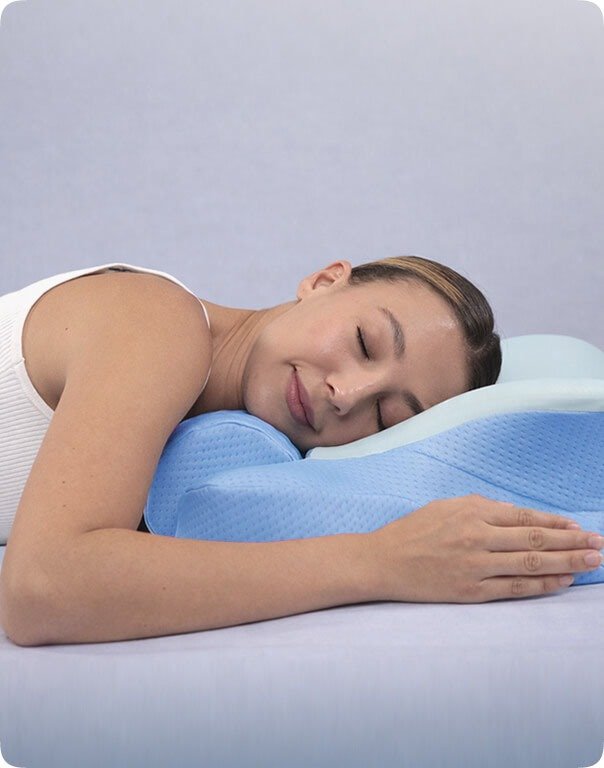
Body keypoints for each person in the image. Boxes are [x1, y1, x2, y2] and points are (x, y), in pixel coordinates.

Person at [0, 255, 600, 647]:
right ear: (323, 281)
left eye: (386, 415)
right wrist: (383, 562)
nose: (348, 394)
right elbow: (42, 588)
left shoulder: (226, 453)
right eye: (365, 343)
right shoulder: (158, 322)